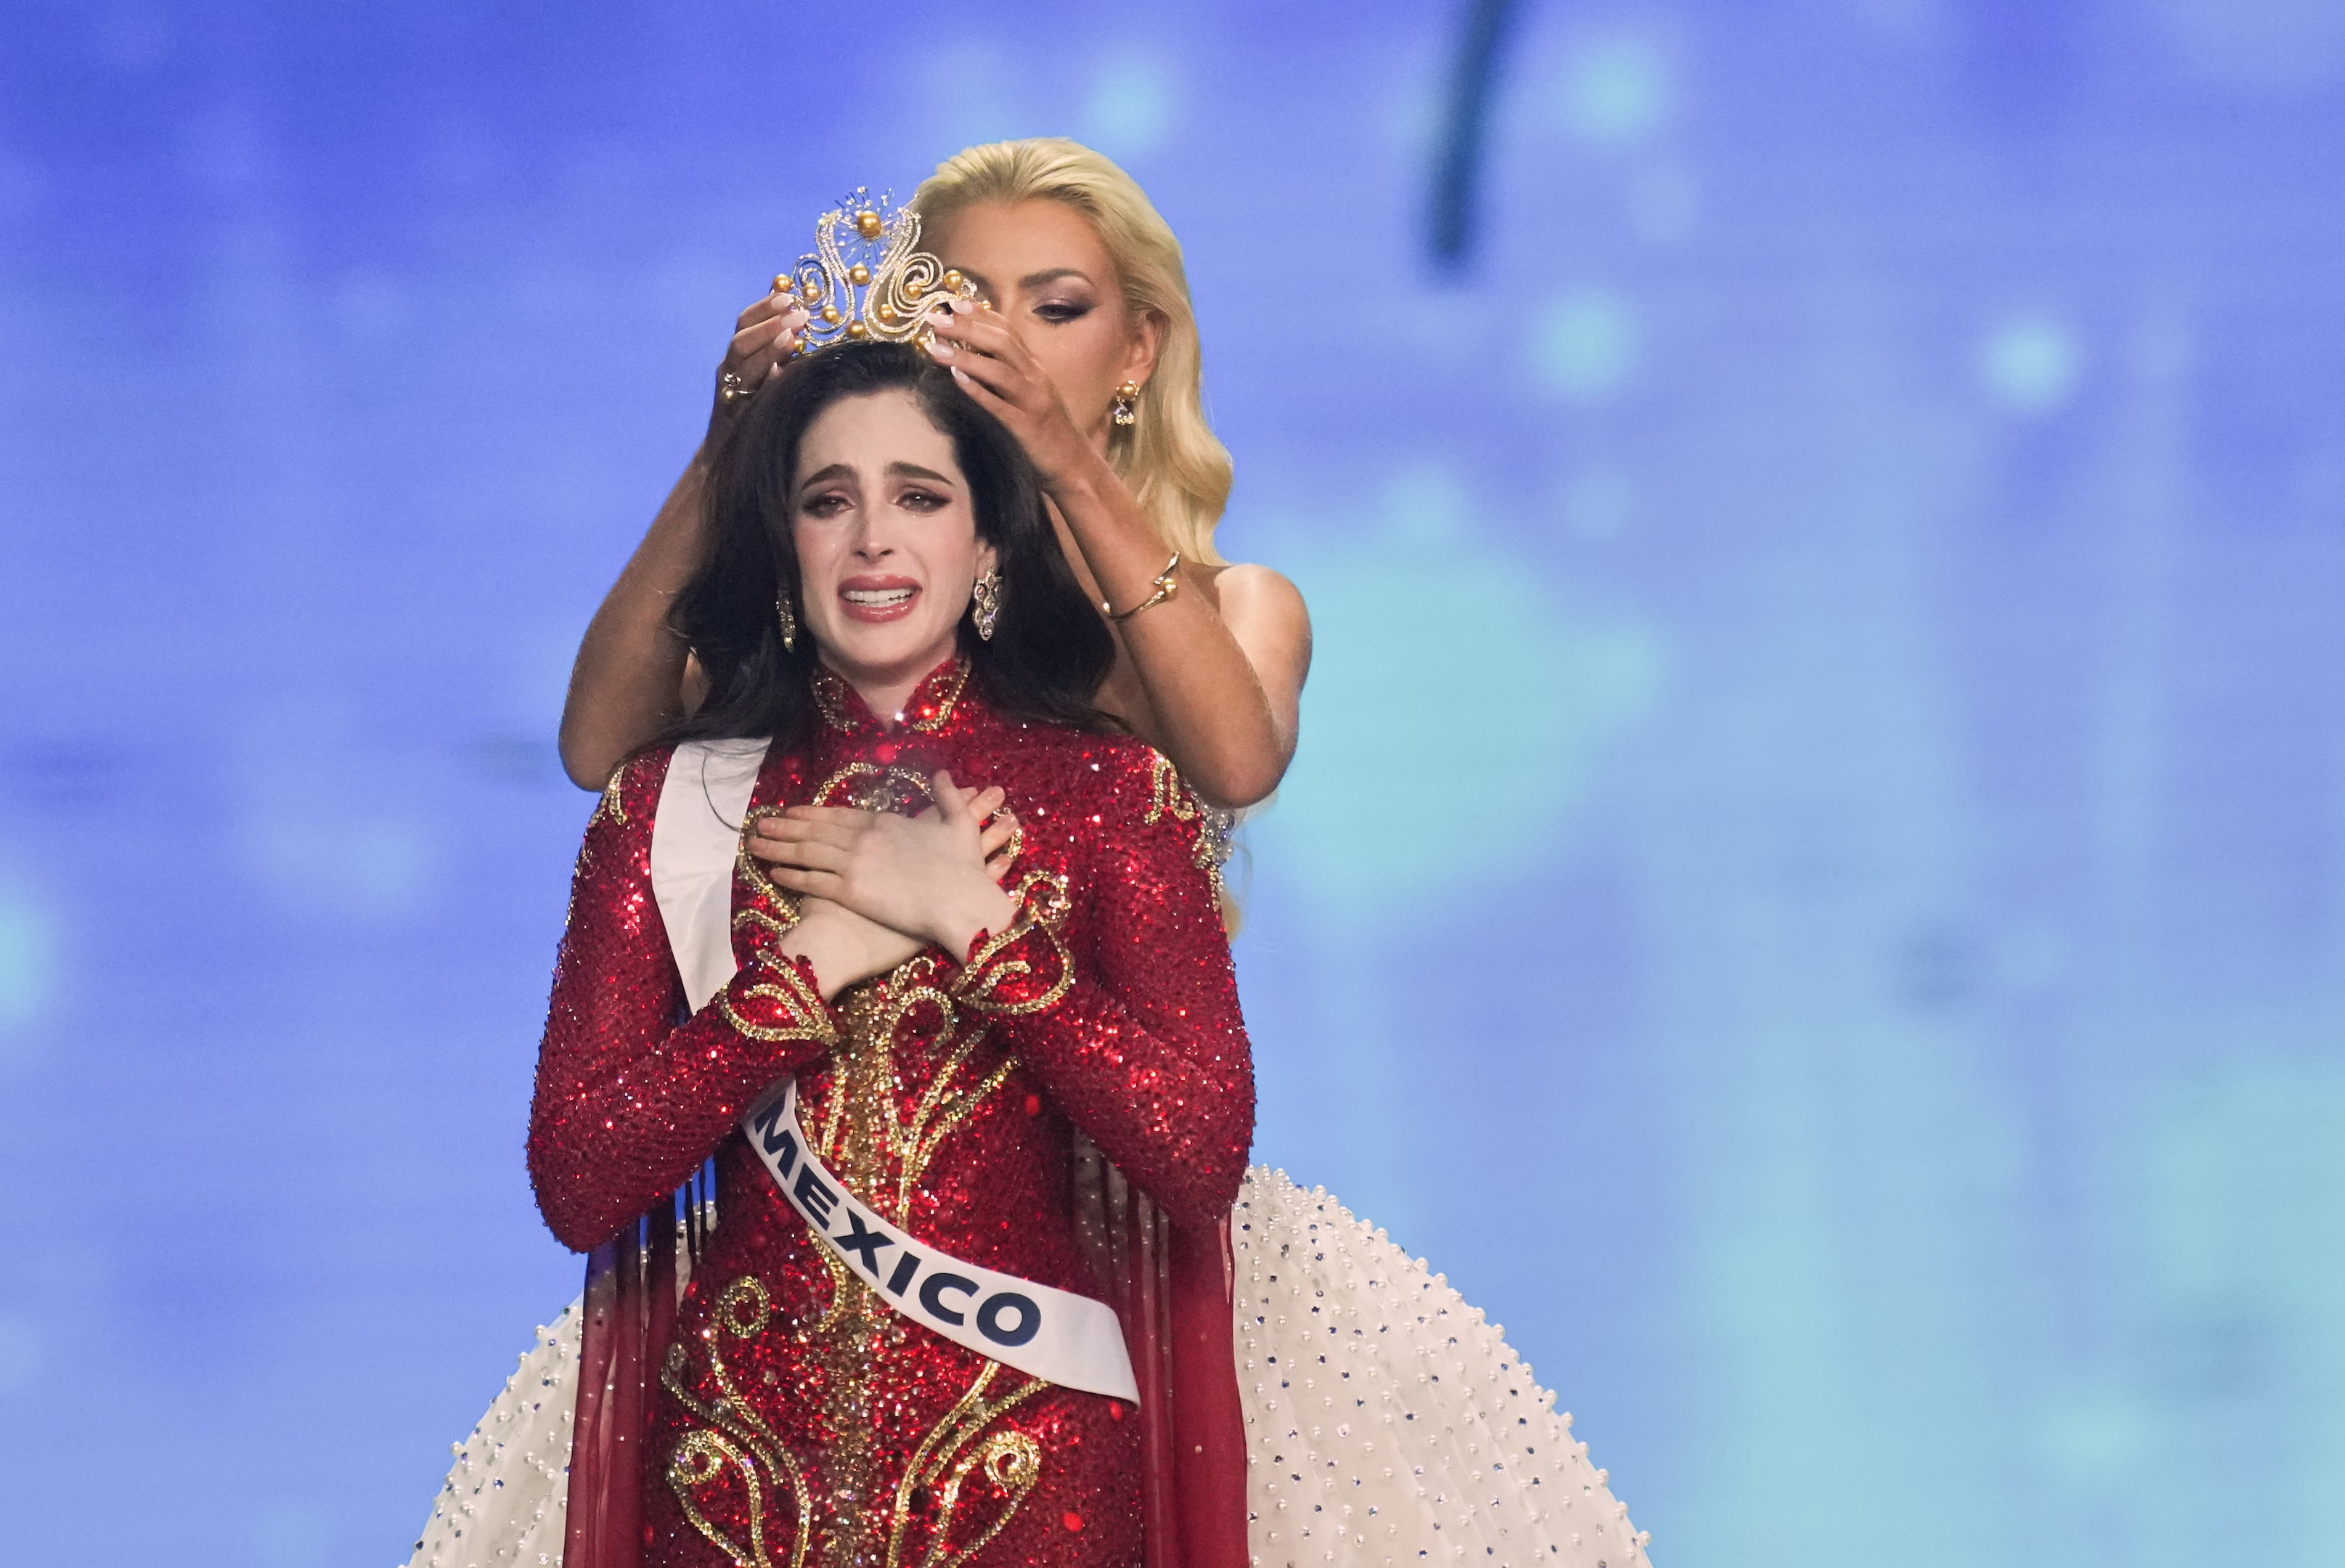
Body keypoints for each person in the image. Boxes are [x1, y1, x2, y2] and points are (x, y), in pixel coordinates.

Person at [406, 207, 1653, 1568]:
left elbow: (1197, 1155)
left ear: (990, 546)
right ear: (784, 547)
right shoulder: (679, 803)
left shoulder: (1111, 794)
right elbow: (579, 1180)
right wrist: (807, 970)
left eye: (920, 497)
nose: (873, 540)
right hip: (728, 1493)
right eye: (828, 501)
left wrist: (984, 930)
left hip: (1031, 1487)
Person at [557, 139, 1310, 814]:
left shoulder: (1243, 604)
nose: (1002, 338)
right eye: (958, 304)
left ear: (1139, 349)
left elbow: (1236, 768)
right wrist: (723, 449)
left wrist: (1069, 469)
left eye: (1055, 309)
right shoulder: (872, 592)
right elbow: (599, 755)